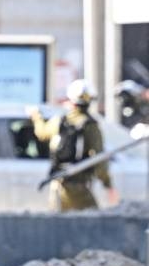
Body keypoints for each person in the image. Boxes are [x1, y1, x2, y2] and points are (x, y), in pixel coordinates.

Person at [30, 79, 118, 211]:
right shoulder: (90, 125)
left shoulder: (60, 120)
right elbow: (99, 158)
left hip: (57, 185)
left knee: (59, 226)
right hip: (79, 187)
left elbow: (41, 133)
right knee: (94, 224)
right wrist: (108, 185)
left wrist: (36, 116)